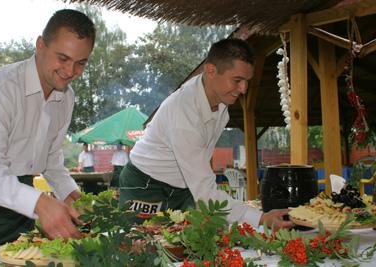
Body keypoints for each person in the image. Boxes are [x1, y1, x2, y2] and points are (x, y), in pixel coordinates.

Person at [119, 38, 294, 230]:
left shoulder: (221, 105)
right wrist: (260, 218)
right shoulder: (184, 113)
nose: (243, 89)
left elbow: (200, 175)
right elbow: (204, 191)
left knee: (193, 243)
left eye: (246, 82)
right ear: (211, 70)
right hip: (146, 185)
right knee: (140, 247)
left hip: (183, 188)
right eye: (237, 80)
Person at [0, 9, 96, 248]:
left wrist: (69, 193)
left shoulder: (66, 97)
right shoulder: (0, 89)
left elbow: (50, 158)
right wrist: (39, 202)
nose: (70, 72)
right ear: (40, 45)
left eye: (80, 63)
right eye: (62, 58)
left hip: (21, 207)